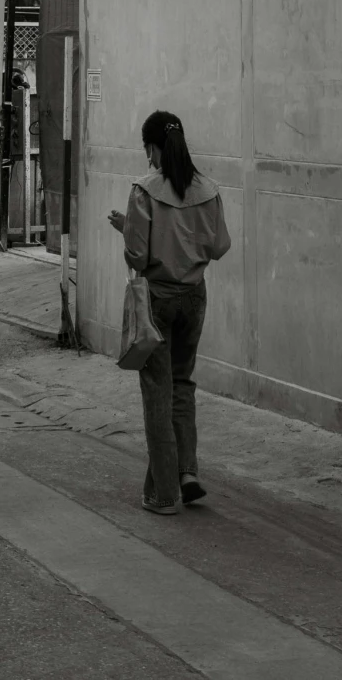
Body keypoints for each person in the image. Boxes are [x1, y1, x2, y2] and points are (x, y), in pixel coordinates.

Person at [109, 109, 232, 515]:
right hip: (194, 297)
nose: (148, 158)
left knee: (157, 393)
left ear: (156, 147)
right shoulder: (208, 190)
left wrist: (129, 228)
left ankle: (164, 495)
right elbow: (218, 247)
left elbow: (138, 254)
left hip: (158, 301)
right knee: (182, 385)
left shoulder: (144, 191)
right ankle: (186, 472)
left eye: (148, 149)